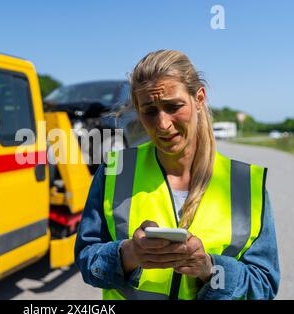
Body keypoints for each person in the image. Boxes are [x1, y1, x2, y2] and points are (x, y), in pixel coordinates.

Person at [75, 50, 280, 300]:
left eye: (174, 106)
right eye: (150, 111)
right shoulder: (114, 171)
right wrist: (128, 255)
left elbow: (264, 286)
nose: (163, 124)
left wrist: (209, 269)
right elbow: (87, 260)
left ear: (199, 98)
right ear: (138, 110)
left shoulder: (245, 185)